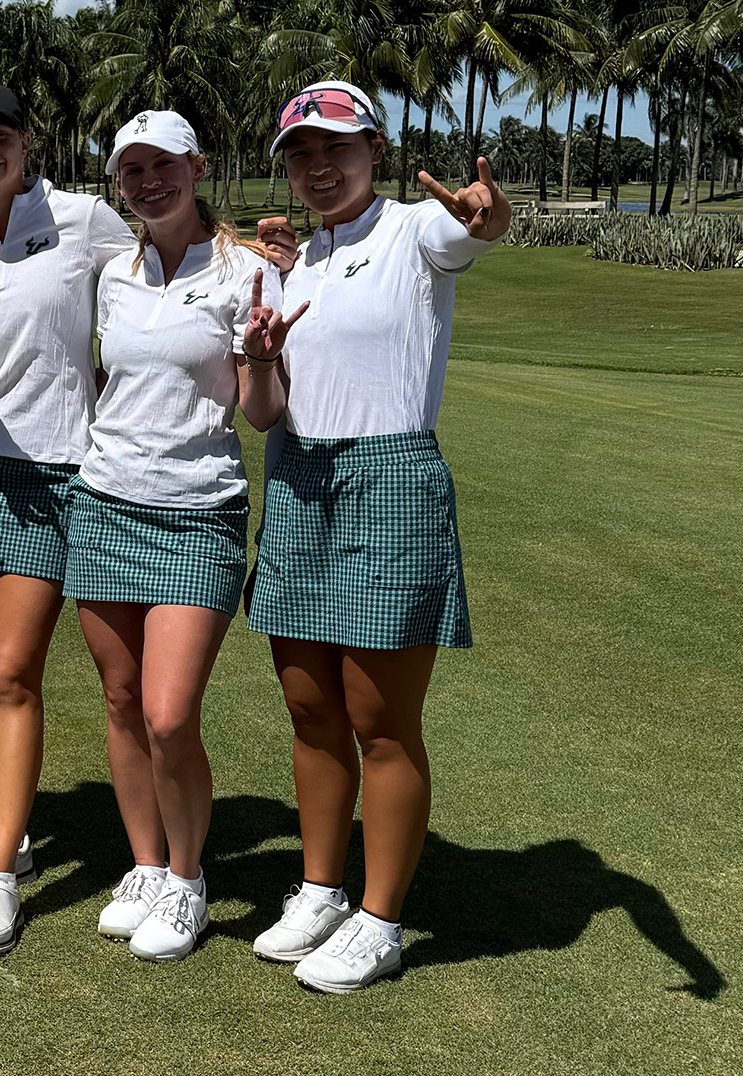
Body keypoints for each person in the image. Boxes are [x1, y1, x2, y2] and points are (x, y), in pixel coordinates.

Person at [245, 80, 508, 992]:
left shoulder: (411, 232)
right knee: (310, 708)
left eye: (338, 149)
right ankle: (320, 887)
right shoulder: (293, 261)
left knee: (378, 720)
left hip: (388, 479)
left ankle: (381, 918)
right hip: (299, 477)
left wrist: (481, 214)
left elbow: (468, 228)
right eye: (303, 154)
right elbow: (269, 404)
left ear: (375, 152)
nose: (320, 168)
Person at [69, 111, 301, 960]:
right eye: (132, 169)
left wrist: (264, 359)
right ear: (119, 182)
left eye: (163, 165)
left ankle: (187, 877)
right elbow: (108, 378)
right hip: (104, 502)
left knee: (170, 714)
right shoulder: (115, 273)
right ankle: (144, 863)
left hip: (199, 510)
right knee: (123, 702)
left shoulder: (248, 273)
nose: (148, 181)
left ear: (198, 168)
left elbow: (263, 412)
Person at [0, 84, 136, 957]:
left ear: (27, 141)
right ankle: (4, 834)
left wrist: (260, 252)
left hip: (54, 471)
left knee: (11, 668)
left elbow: (166, 266)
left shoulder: (82, 220)